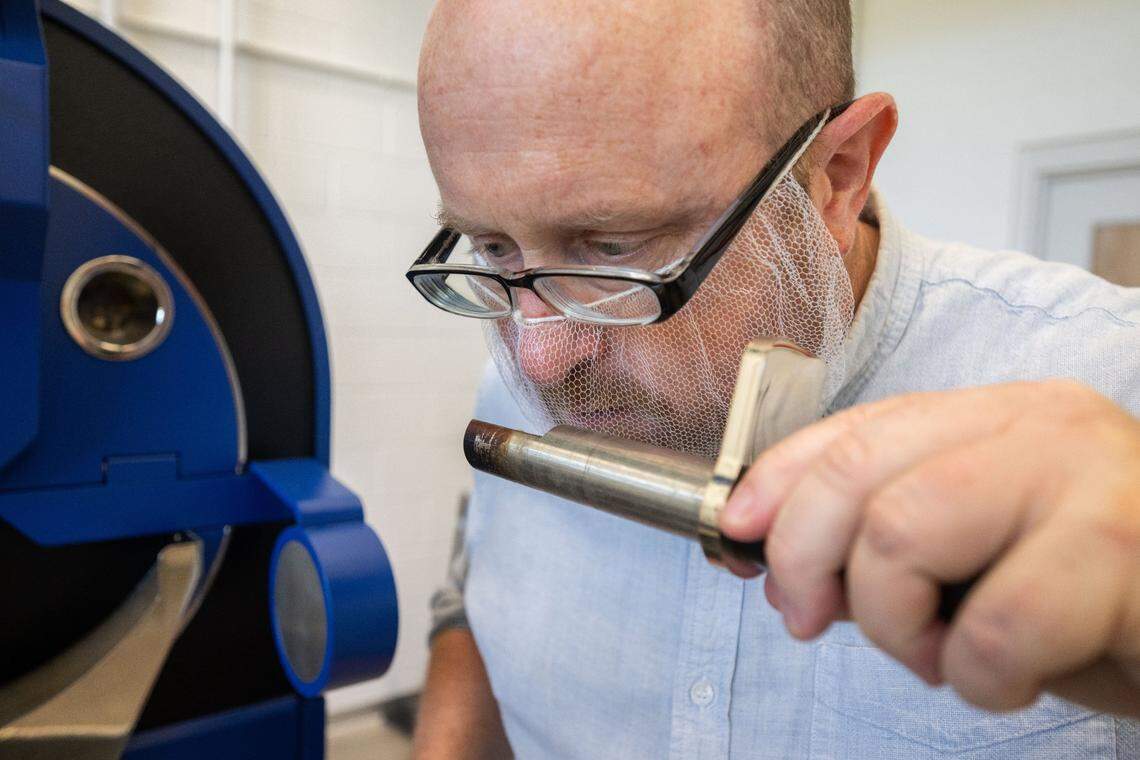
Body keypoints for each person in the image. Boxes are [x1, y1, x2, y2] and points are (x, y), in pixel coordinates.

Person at [407, 0, 1140, 757]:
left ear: (837, 176)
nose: (539, 359)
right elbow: (473, 596)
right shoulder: (513, 390)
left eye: (616, 246)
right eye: (493, 248)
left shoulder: (1118, 387)